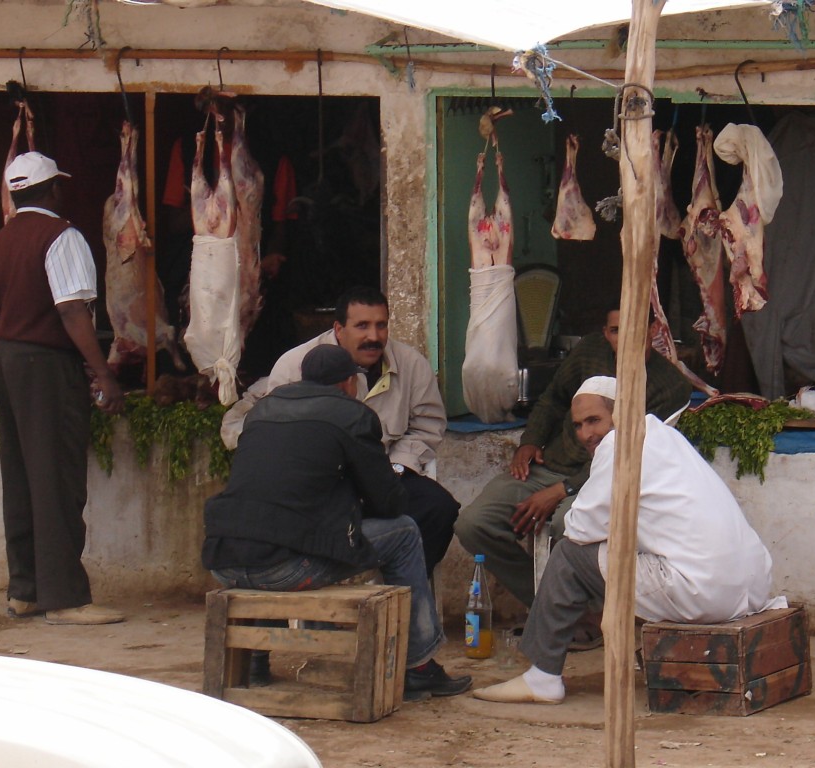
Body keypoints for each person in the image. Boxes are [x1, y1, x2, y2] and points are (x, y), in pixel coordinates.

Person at [473, 376, 784, 704]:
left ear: (619, 413)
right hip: (752, 586)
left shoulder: (620, 443)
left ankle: (542, 677)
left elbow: (580, 528)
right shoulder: (665, 435)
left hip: (703, 591)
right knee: (617, 551)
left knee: (567, 555)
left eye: (595, 420)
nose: (586, 434)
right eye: (578, 425)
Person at [203, 344, 472, 701]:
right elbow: (387, 501)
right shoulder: (352, 415)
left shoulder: (263, 411)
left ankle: (254, 660)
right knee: (405, 531)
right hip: (287, 568)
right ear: (349, 382)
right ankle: (418, 667)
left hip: (225, 561)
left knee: (272, 529)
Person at [454, 308, 692, 614]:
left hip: (604, 481)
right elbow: (554, 397)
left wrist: (562, 490)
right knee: (474, 524)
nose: (626, 339)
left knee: (565, 526)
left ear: (653, 329)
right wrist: (529, 441)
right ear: (606, 333)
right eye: (617, 330)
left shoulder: (669, 385)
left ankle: (583, 614)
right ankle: (557, 609)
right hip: (550, 466)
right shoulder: (591, 352)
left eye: (635, 329)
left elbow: (633, 453)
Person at [0, 151, 126, 626]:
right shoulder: (62, 237)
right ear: (53, 189)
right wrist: (101, 370)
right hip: (47, 363)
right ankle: (64, 599)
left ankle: (24, 590)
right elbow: (71, 310)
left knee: (20, 476)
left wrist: (4, 362)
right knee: (56, 477)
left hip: (7, 358)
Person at [268, 286, 459, 577]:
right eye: (362, 326)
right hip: (321, 486)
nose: (374, 336)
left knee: (438, 508)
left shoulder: (411, 364)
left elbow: (427, 424)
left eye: (381, 325)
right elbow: (280, 439)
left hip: (386, 474)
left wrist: (396, 467)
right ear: (338, 329)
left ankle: (404, 592)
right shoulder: (294, 365)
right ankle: (338, 595)